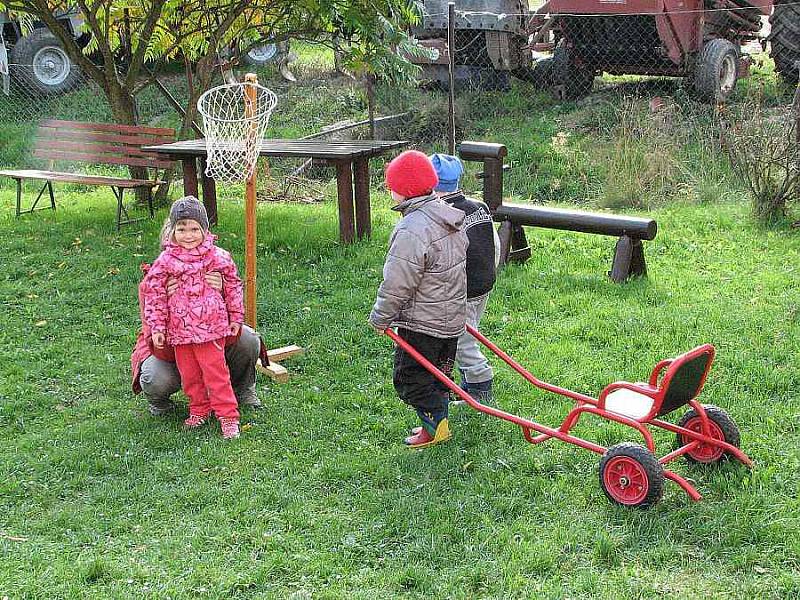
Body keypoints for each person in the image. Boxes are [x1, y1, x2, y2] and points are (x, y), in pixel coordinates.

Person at [369, 150, 468, 448]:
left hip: (422, 324)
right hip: (450, 319)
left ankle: (435, 426)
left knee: (410, 380)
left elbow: (398, 282)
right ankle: (437, 425)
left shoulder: (412, 228)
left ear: (404, 190)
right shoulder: (448, 215)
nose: (390, 190)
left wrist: (381, 316)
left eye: (392, 185)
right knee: (438, 376)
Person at [139, 196, 245, 439]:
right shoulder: (165, 261)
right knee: (190, 376)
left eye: (195, 229)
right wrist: (157, 327)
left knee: (216, 374)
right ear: (173, 231)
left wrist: (236, 316)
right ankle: (199, 409)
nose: (188, 235)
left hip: (211, 330)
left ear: (205, 230)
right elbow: (153, 295)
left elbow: (233, 286)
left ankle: (228, 416)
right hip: (179, 332)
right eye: (182, 228)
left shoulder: (218, 256)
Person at [430, 153, 500, 404]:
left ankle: (480, 384)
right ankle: (467, 382)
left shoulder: (443, 215)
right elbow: (495, 242)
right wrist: (490, 272)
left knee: (462, 339)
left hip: (464, 288)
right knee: (469, 331)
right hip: (483, 282)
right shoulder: (477, 207)